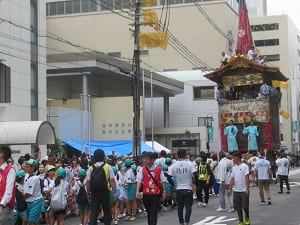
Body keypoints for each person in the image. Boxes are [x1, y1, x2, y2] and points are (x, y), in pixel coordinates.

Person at [86, 149, 117, 225]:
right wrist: (115, 192)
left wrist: (88, 193)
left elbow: (88, 182)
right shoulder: (108, 167)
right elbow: (112, 180)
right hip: (105, 192)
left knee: (94, 211)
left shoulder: (91, 168)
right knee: (106, 210)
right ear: (103, 157)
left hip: (94, 192)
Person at [136, 152, 167, 225]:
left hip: (156, 194)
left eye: (147, 159)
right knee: (149, 212)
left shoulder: (159, 169)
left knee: (153, 212)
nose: (145, 160)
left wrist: (164, 191)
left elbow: (163, 181)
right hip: (146, 194)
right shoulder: (142, 169)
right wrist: (137, 191)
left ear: (152, 159)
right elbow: (139, 180)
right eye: (144, 159)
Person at [168, 149, 197, 225]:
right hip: (188, 187)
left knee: (180, 207)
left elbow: (168, 177)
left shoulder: (174, 165)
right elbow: (196, 175)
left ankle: (181, 222)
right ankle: (187, 221)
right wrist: (194, 184)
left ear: (177, 155)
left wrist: (173, 184)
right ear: (185, 155)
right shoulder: (190, 164)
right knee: (188, 206)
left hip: (179, 188)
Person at [228, 152, 250, 225]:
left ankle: (247, 217)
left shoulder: (244, 166)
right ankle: (240, 221)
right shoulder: (234, 168)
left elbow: (247, 178)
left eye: (233, 158)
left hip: (243, 190)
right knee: (238, 207)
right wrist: (229, 189)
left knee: (245, 206)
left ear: (237, 158)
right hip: (236, 190)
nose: (232, 159)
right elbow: (232, 179)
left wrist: (247, 188)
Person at [24, 159, 43, 225]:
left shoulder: (34, 178)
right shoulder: (27, 176)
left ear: (32, 168)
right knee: (29, 221)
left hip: (35, 202)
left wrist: (19, 196)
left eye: (27, 166)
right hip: (29, 202)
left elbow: (28, 194)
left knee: (32, 222)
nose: (25, 167)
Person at [0, 146, 16, 225]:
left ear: (1, 154)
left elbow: (8, 191)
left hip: (5, 206)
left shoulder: (10, 170)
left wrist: (2, 205)